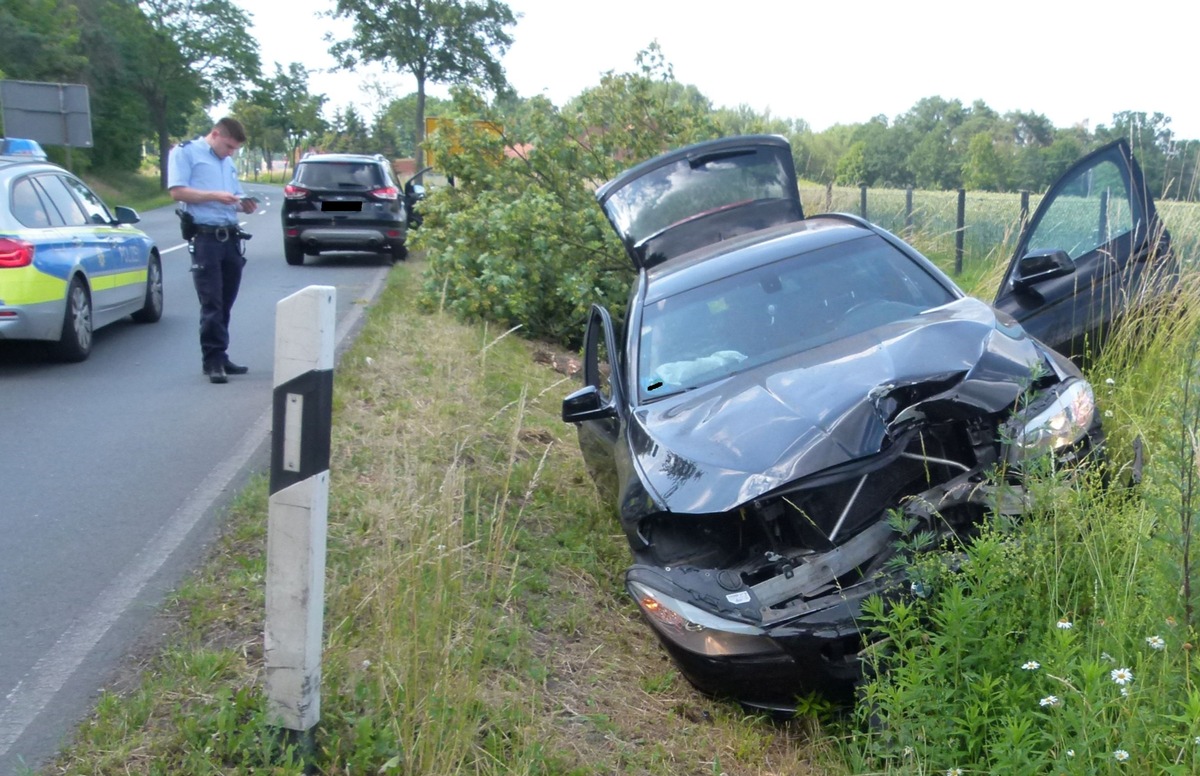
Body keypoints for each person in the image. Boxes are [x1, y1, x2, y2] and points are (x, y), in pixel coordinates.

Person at [167, 116, 258, 384]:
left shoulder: (227, 162)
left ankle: (222, 353)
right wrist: (215, 196)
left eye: (235, 149)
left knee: (226, 300)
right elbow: (177, 192)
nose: (231, 153)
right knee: (212, 302)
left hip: (229, 236)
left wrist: (244, 205)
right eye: (229, 146)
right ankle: (213, 360)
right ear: (215, 134)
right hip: (205, 237)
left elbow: (235, 196)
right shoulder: (186, 153)